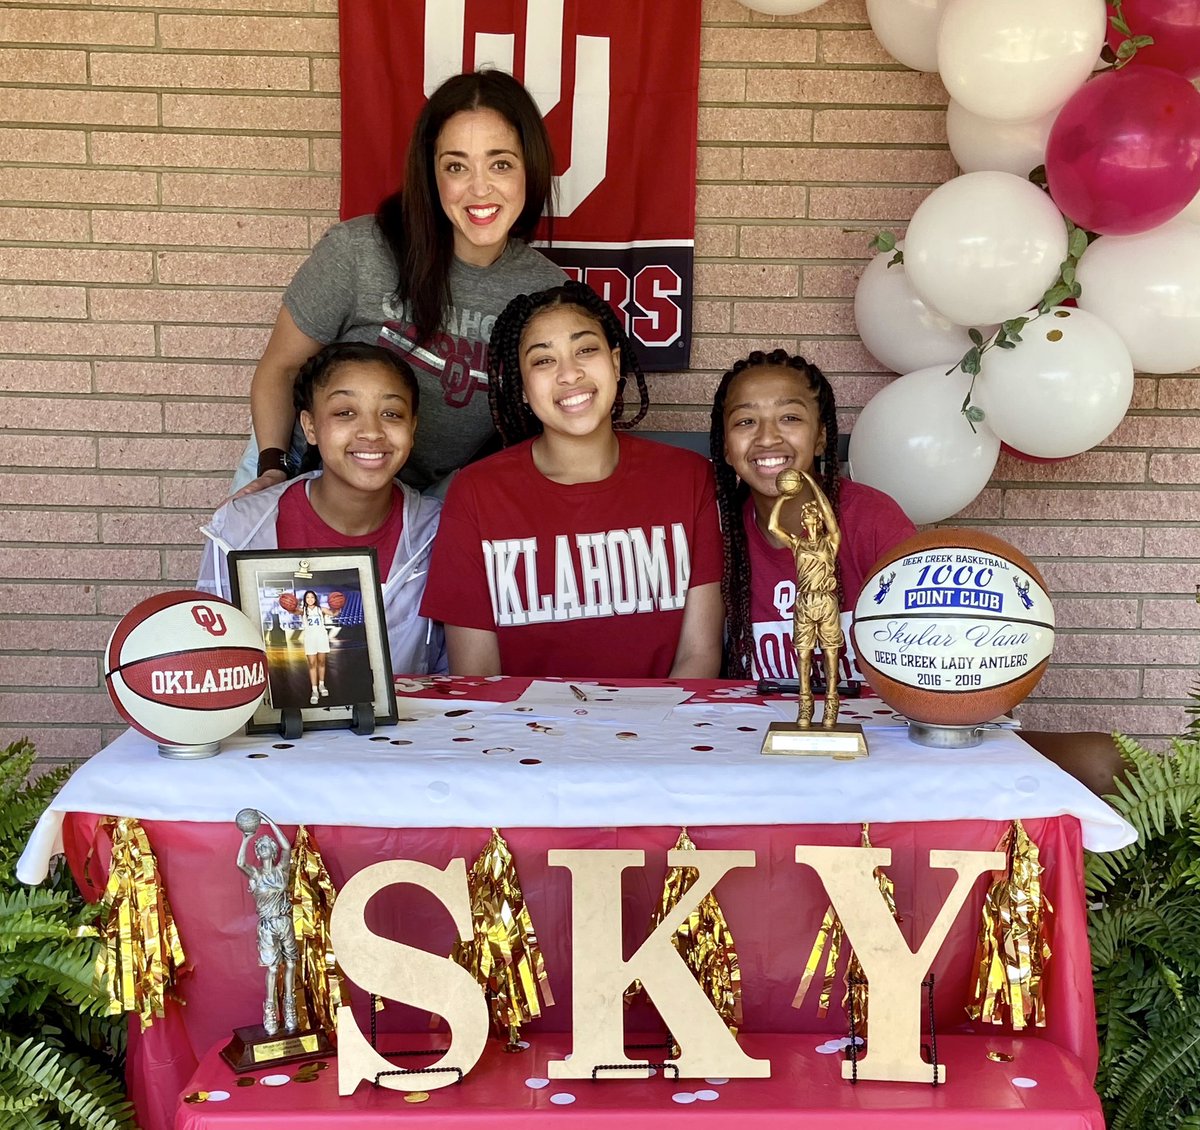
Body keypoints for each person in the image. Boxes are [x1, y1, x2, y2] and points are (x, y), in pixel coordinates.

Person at [233, 69, 566, 498]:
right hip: (300, 472)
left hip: (424, 506)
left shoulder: (547, 293)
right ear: (431, 175)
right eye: (456, 166)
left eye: (500, 163)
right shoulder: (358, 251)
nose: (479, 188)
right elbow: (280, 366)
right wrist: (274, 468)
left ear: (530, 168)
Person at [421, 282, 724, 678]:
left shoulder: (690, 477)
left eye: (585, 350)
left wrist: (646, 739)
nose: (569, 374)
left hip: (660, 733)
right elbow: (477, 676)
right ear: (523, 388)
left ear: (615, 364)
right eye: (543, 361)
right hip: (520, 736)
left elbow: (699, 657)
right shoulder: (477, 492)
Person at [200, 342, 445, 675]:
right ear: (310, 426)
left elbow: (454, 674)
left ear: (412, 428)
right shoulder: (241, 528)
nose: (372, 432)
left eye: (391, 414)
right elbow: (211, 656)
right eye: (345, 412)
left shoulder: (438, 532)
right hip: (273, 727)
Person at [710, 349, 917, 681]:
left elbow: (939, 641)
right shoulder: (719, 532)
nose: (766, 438)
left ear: (820, 437)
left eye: (789, 418)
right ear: (725, 447)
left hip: (868, 728)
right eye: (745, 421)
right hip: (756, 729)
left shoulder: (873, 520)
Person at [235, 811, 297, 1035]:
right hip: (267, 926)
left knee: (290, 964)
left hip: (284, 922)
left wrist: (267, 820)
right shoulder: (255, 875)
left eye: (266, 846)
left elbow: (287, 848)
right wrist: (247, 836)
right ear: (258, 854)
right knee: (272, 968)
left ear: (272, 850)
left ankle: (289, 1006)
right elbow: (240, 862)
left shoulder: (282, 870)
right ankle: (270, 1009)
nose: (263, 850)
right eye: (259, 848)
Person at [297, 589, 333, 705]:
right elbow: (293, 611)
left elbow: (334, 613)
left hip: (321, 638)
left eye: (312, 597)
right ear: (305, 600)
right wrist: (288, 605)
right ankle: (314, 690)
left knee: (321, 662)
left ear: (315, 599)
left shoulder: (321, 609)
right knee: (312, 664)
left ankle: (322, 685)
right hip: (310, 640)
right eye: (308, 597)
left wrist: (337, 607)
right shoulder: (302, 611)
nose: (310, 599)